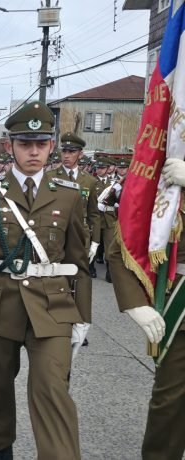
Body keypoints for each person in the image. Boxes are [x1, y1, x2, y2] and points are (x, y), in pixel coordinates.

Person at [0, 101, 91, 460]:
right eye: (25, 144)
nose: (33, 151)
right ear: (10, 146)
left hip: (53, 306)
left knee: (52, 388)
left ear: (51, 147)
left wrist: (83, 318)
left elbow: (79, 261)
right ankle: (1, 451)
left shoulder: (68, 195)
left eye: (41, 144)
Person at [109, 152, 185, 460]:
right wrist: (134, 303)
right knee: (170, 407)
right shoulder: (164, 179)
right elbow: (121, 248)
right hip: (181, 311)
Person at [53, 132, 99, 274]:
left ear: (80, 154)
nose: (66, 155)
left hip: (80, 235)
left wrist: (95, 242)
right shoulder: (49, 177)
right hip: (56, 234)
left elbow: (94, 214)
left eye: (71, 152)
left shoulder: (89, 181)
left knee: (78, 278)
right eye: (64, 151)